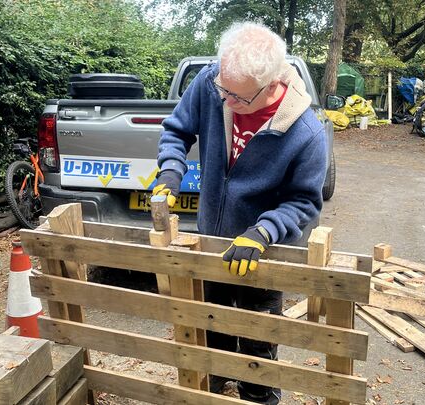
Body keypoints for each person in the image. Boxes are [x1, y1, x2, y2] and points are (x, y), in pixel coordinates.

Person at [153, 21, 327, 405]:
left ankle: (257, 395)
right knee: (209, 325)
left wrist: (264, 231)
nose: (225, 100)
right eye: (223, 91)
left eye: (237, 98)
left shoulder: (306, 133)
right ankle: (211, 390)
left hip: (261, 252)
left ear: (272, 85)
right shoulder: (217, 80)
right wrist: (171, 168)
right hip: (209, 240)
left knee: (257, 337)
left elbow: (304, 202)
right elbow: (177, 129)